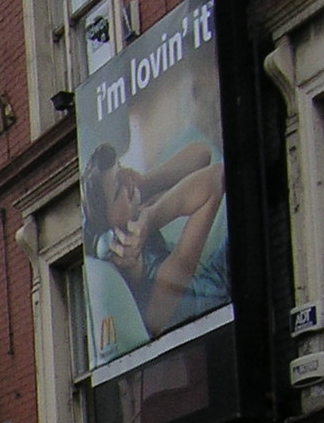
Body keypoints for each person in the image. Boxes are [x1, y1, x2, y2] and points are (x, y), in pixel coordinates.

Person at [82, 139, 228, 347]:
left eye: (121, 169)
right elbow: (217, 178)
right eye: (117, 190)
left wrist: (144, 182)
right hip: (226, 291)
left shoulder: (137, 219)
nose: (127, 178)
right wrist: (153, 218)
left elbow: (202, 154)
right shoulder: (157, 297)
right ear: (112, 241)